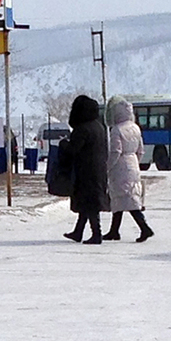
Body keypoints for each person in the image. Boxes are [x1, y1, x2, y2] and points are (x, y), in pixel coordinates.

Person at [103, 95, 153, 243]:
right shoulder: (135, 128)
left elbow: (115, 151)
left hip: (121, 166)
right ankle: (114, 231)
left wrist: (108, 166)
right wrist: (135, 163)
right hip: (133, 164)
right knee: (125, 198)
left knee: (124, 198)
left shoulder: (116, 130)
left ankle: (144, 227)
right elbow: (141, 151)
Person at [62, 94, 109, 244]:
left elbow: (73, 150)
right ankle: (78, 231)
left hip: (86, 171)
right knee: (87, 202)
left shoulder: (82, 129)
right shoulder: (99, 126)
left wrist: (63, 143)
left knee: (89, 203)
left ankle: (97, 233)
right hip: (99, 169)